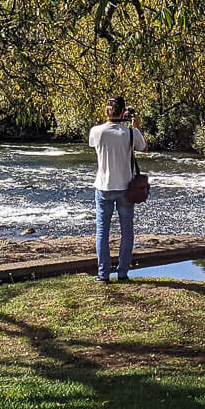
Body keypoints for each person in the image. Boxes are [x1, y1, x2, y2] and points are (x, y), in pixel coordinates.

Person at [88, 94, 146, 283]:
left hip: (104, 186)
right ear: (123, 112)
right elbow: (143, 147)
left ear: (106, 110)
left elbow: (93, 144)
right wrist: (134, 125)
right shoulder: (130, 133)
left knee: (102, 231)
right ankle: (122, 274)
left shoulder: (96, 132)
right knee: (127, 232)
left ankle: (103, 274)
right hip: (126, 188)